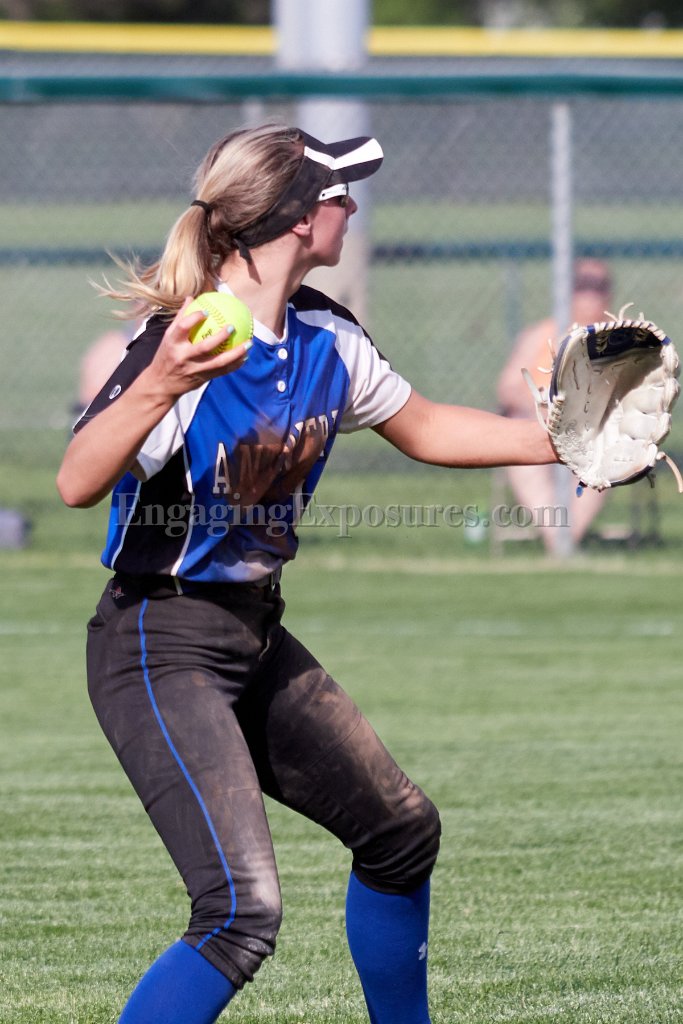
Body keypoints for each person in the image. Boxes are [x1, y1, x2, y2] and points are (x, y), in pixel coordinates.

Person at [56, 123, 558, 1024]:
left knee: (400, 833)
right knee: (239, 913)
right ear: (294, 217)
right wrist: (162, 380)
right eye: (337, 194)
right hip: (157, 642)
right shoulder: (189, 340)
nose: (351, 207)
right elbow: (76, 480)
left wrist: (563, 444)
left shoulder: (327, 334)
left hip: (252, 635)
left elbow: (425, 427)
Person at [496, 259, 614, 553]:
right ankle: (560, 541)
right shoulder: (542, 333)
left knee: (606, 457)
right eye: (583, 285)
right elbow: (508, 388)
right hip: (538, 424)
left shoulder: (620, 339)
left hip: (593, 431)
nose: (591, 294)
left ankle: (563, 543)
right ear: (568, 290)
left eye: (599, 286)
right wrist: (543, 406)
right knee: (518, 456)